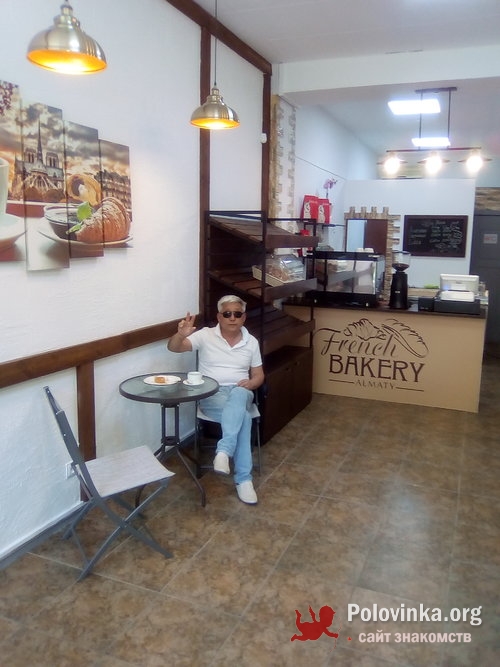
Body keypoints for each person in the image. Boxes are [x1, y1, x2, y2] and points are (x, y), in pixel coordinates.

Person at [167, 295, 264, 504]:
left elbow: (258, 375)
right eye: (227, 314)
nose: (232, 318)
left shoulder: (251, 342)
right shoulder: (205, 335)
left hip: (241, 391)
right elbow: (174, 347)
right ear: (219, 317)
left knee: (239, 394)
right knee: (244, 419)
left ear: (244, 317)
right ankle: (243, 480)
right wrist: (180, 335)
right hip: (212, 393)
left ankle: (224, 451)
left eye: (237, 314)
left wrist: (251, 383)